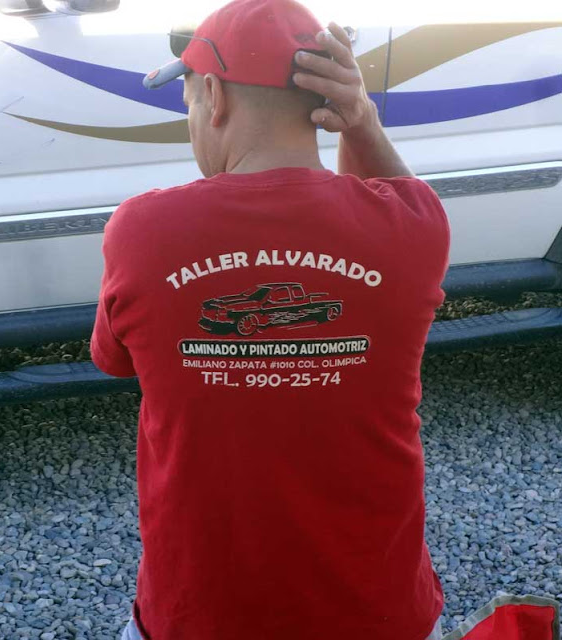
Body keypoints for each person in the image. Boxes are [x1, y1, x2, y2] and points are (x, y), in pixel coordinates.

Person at [90, 0, 451, 638]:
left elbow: (112, 361)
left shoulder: (142, 228)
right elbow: (393, 200)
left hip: (203, 612)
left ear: (213, 96)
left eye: (189, 102)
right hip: (378, 611)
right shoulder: (414, 226)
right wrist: (361, 123)